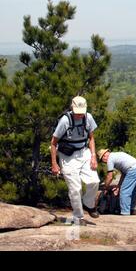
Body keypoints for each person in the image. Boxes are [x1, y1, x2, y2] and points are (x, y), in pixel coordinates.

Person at [50, 96, 100, 226]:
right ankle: (78, 217)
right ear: (72, 108)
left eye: (81, 112)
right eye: (77, 112)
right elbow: (53, 143)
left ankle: (88, 204)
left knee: (94, 180)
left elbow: (92, 138)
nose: (79, 115)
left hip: (84, 152)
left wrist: (93, 156)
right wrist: (54, 164)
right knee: (75, 188)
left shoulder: (88, 117)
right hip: (67, 156)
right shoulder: (65, 121)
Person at [97, 149, 136, 215]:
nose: (104, 162)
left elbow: (109, 177)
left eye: (102, 160)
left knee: (124, 191)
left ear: (104, 156)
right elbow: (124, 173)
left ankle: (125, 213)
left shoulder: (110, 159)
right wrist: (119, 186)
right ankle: (131, 210)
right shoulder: (116, 155)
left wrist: (105, 188)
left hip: (132, 169)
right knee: (133, 191)